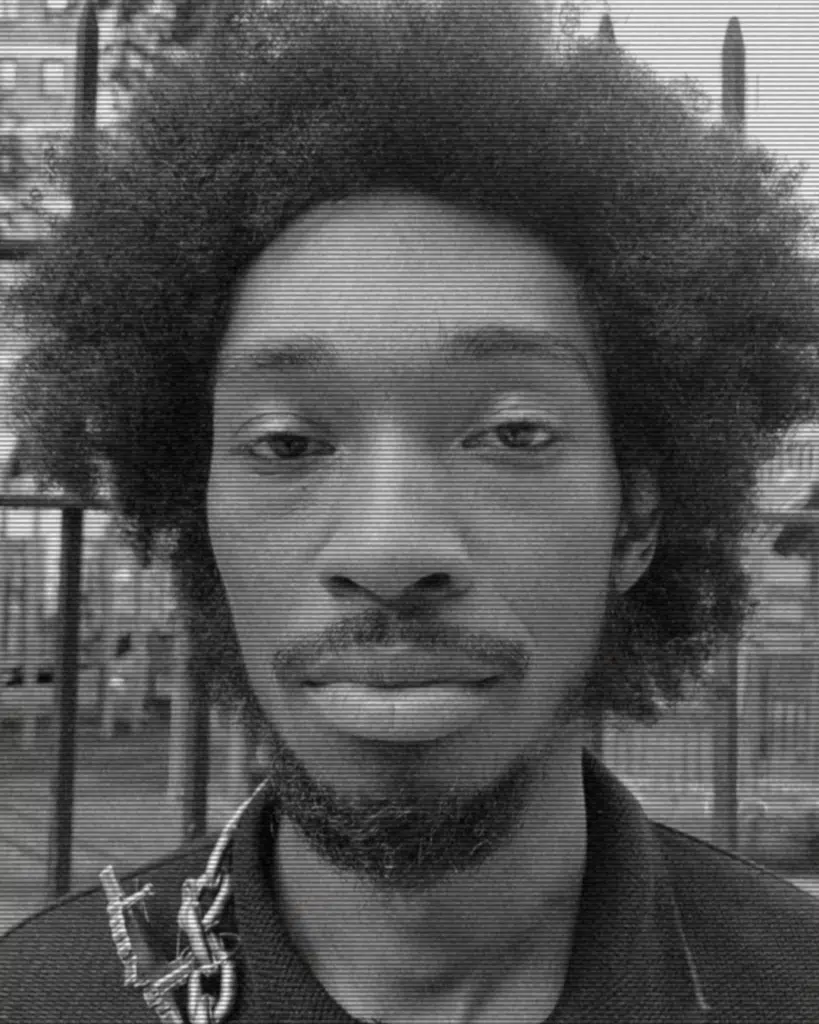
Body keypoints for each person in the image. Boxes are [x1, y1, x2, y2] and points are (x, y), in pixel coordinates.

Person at [2, 1, 819, 1020]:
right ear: (194, 509)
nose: (389, 547)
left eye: (514, 432)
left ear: (638, 513)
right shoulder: (44, 998)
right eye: (287, 444)